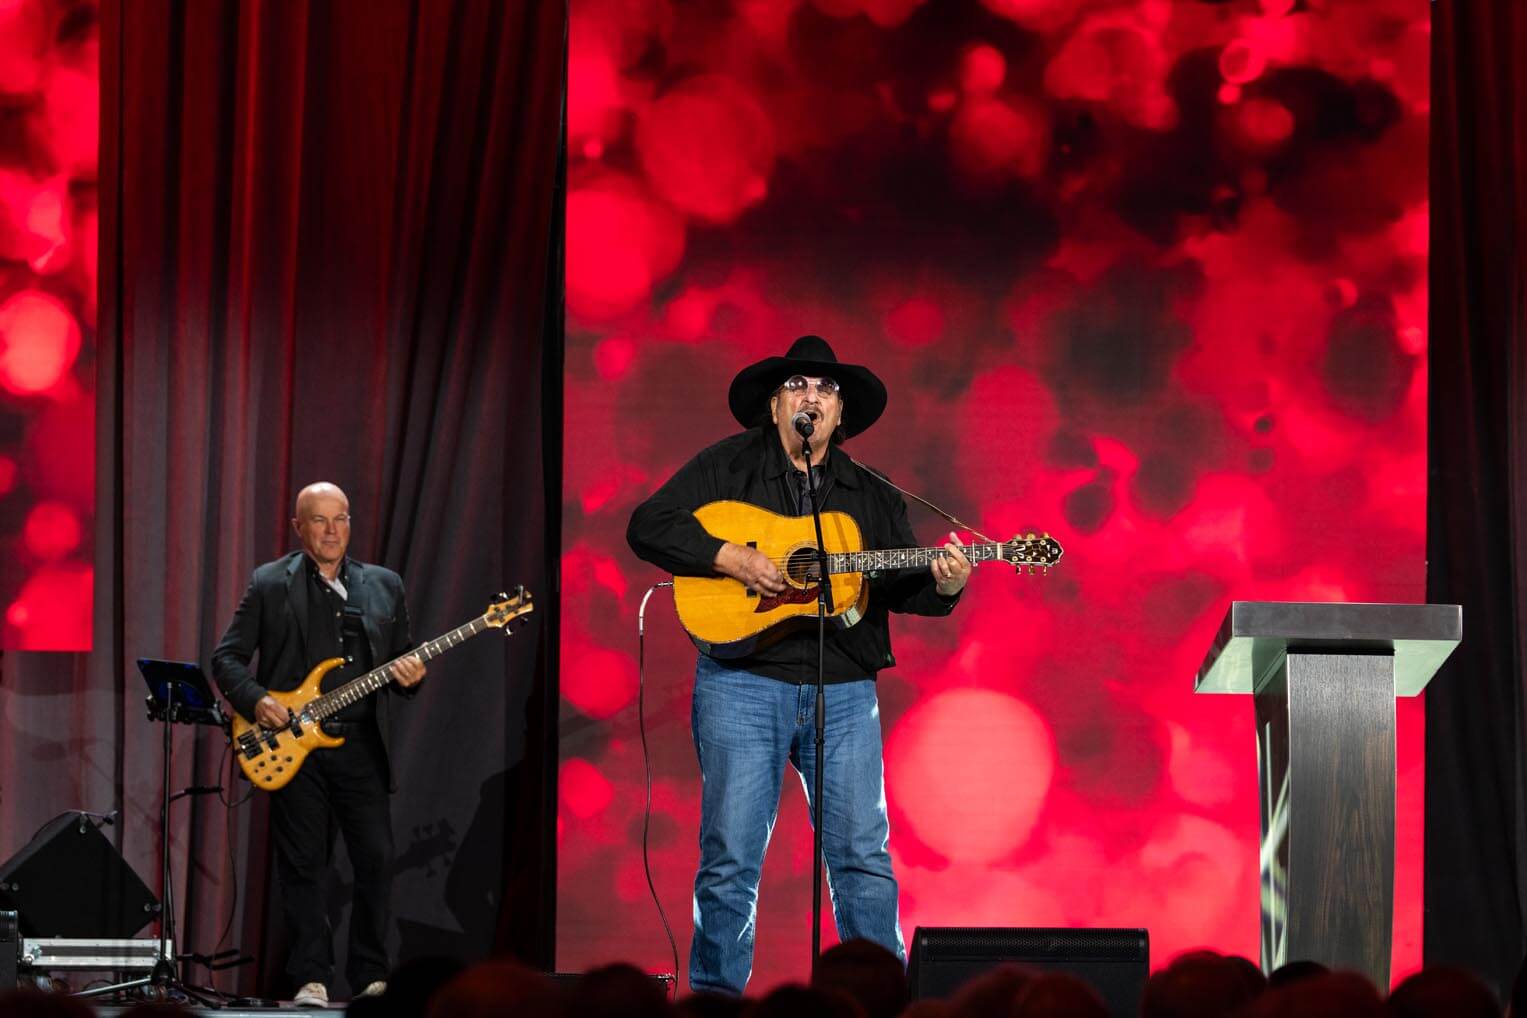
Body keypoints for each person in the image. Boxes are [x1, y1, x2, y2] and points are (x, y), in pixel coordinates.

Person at [627, 336, 972, 995]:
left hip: (842, 688)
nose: (812, 395)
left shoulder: (869, 493)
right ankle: (716, 1000)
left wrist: (947, 583)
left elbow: (903, 585)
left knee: (861, 858)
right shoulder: (727, 467)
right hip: (741, 682)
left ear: (840, 416)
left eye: (826, 388)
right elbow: (649, 523)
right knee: (730, 858)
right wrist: (729, 556)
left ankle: (878, 1000)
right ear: (774, 405)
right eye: (797, 385)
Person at [212, 482, 426, 1007]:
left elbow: (403, 661)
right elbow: (227, 659)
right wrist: (257, 699)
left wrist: (413, 675)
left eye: (342, 519)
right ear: (298, 527)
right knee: (303, 864)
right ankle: (311, 976)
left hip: (360, 746)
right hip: (293, 746)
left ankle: (372, 976)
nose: (333, 531)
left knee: (375, 858)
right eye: (321, 521)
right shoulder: (269, 583)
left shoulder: (384, 585)